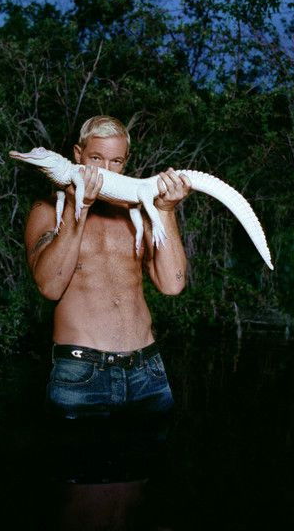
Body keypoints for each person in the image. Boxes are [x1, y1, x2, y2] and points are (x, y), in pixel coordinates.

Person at [24, 115, 192, 420]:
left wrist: (166, 211)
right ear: (77, 155)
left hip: (148, 373)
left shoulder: (138, 211)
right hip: (80, 374)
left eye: (116, 161)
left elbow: (173, 285)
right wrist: (81, 209)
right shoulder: (47, 209)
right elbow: (49, 287)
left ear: (126, 162)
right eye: (96, 158)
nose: (105, 170)